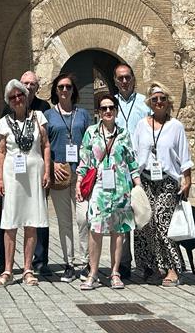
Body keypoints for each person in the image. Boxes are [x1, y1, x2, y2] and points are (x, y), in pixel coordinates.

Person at [76, 93, 140, 290]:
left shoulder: (124, 134)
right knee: (95, 229)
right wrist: (79, 183)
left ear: (116, 110)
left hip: (121, 189)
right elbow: (85, 160)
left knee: (118, 231)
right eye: (104, 108)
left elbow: (131, 161)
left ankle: (115, 273)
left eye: (111, 107)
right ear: (98, 111)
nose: (108, 111)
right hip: (99, 188)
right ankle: (93, 273)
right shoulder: (91, 132)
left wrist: (138, 185)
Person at [132, 82, 192, 287]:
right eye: (155, 99)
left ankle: (174, 267)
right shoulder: (142, 125)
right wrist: (134, 179)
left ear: (168, 102)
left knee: (162, 221)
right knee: (146, 222)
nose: (158, 102)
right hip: (145, 179)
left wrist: (187, 180)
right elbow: (135, 153)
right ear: (149, 102)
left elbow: (184, 156)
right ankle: (155, 266)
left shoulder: (176, 126)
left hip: (167, 180)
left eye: (162, 99)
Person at [0, 79, 51, 287]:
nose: (17, 99)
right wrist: (0, 178)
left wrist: (47, 171)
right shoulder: (3, 122)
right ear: (8, 101)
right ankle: (8, 270)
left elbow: (45, 145)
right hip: (12, 175)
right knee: (10, 222)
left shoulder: (38, 117)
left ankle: (28, 269)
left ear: (26, 97)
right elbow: (1, 151)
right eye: (12, 97)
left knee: (31, 221)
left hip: (34, 173)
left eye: (20, 95)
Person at [45, 73, 92, 282]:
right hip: (60, 174)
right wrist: (52, 164)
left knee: (83, 218)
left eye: (68, 87)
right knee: (64, 222)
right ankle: (69, 264)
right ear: (55, 90)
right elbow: (44, 145)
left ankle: (85, 262)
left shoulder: (83, 115)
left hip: (81, 174)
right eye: (61, 87)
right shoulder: (48, 115)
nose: (65, 90)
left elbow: (90, 142)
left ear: (74, 90)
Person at [111, 63, 150, 280]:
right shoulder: (111, 104)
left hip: (142, 166)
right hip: (120, 169)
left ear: (133, 79)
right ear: (115, 81)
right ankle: (124, 263)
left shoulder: (145, 103)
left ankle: (145, 262)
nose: (124, 81)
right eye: (120, 78)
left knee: (142, 213)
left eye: (127, 77)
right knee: (122, 216)